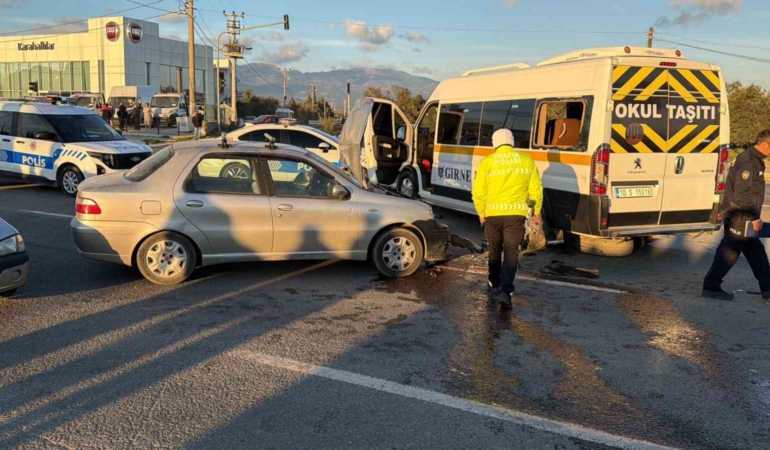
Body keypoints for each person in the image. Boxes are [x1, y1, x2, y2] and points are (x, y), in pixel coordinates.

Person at [472, 128, 543, 310]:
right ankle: (506, 291)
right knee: (512, 253)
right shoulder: (526, 161)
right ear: (512, 142)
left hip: (492, 216)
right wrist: (536, 212)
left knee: (494, 251)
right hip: (515, 216)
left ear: (494, 143)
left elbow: (479, 192)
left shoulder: (487, 162)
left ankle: (493, 284)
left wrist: (481, 213)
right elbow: (536, 190)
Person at [703, 130, 770, 301]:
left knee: (756, 252)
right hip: (740, 215)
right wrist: (754, 217)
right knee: (729, 252)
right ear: (765, 145)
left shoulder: (753, 159)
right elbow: (742, 195)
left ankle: (767, 288)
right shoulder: (748, 162)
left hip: (744, 215)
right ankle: (711, 286)